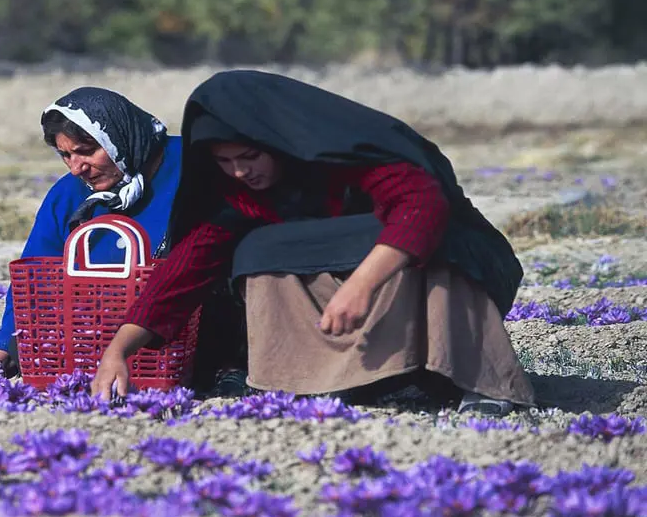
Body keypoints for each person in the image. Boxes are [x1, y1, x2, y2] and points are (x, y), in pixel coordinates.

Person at [89, 69, 536, 416]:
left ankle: (481, 382)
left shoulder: (344, 153)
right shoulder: (242, 193)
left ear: (275, 141)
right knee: (256, 250)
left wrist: (360, 285)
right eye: (225, 162)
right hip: (350, 298)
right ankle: (322, 379)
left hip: (439, 262)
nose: (240, 172)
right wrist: (119, 350)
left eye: (250, 156)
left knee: (435, 236)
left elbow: (421, 206)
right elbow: (183, 272)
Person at [0, 86, 247, 393]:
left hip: (188, 319)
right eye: (65, 155)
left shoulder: (197, 166)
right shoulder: (68, 194)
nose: (77, 168)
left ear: (119, 137)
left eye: (87, 151)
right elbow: (35, 279)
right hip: (100, 328)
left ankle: (230, 366)